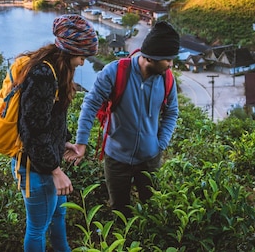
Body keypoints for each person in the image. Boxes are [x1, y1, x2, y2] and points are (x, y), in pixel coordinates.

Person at [68, 21, 180, 218]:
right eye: (167, 59)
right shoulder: (115, 72)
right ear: (151, 57)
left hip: (150, 159)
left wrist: (160, 144)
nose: (171, 64)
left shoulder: (167, 79)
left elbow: (172, 112)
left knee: (152, 208)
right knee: (119, 210)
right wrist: (81, 142)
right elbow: (90, 105)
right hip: (117, 158)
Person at [12, 14, 98, 252]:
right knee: (37, 228)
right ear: (69, 52)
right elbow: (33, 130)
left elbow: (51, 119)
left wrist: (63, 143)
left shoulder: (54, 71)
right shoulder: (42, 75)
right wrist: (55, 170)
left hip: (46, 159)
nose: (82, 63)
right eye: (82, 57)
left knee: (58, 217)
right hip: (34, 166)